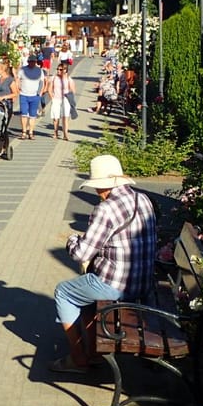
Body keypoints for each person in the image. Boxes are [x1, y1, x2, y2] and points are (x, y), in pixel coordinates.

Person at [49, 155, 157, 373]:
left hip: (116, 286)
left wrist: (71, 239)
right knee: (85, 291)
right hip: (144, 283)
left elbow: (81, 253)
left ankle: (78, 360)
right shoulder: (143, 199)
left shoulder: (106, 209)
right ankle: (95, 354)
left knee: (63, 292)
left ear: (102, 186)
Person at [17, 54, 45, 139]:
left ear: (35, 62)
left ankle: (31, 132)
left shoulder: (39, 70)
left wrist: (40, 93)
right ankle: (24, 132)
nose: (32, 63)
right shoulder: (23, 70)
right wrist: (18, 89)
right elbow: (17, 79)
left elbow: (42, 82)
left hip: (34, 95)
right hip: (24, 95)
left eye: (33, 62)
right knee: (24, 114)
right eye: (30, 61)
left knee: (33, 115)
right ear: (28, 61)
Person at [50, 63, 76, 140]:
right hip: (56, 99)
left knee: (65, 117)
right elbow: (50, 89)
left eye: (60, 69)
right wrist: (52, 97)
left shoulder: (69, 79)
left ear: (65, 70)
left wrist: (68, 96)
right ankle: (56, 133)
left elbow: (73, 91)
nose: (58, 71)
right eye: (57, 69)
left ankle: (65, 134)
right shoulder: (54, 78)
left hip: (65, 100)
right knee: (56, 117)